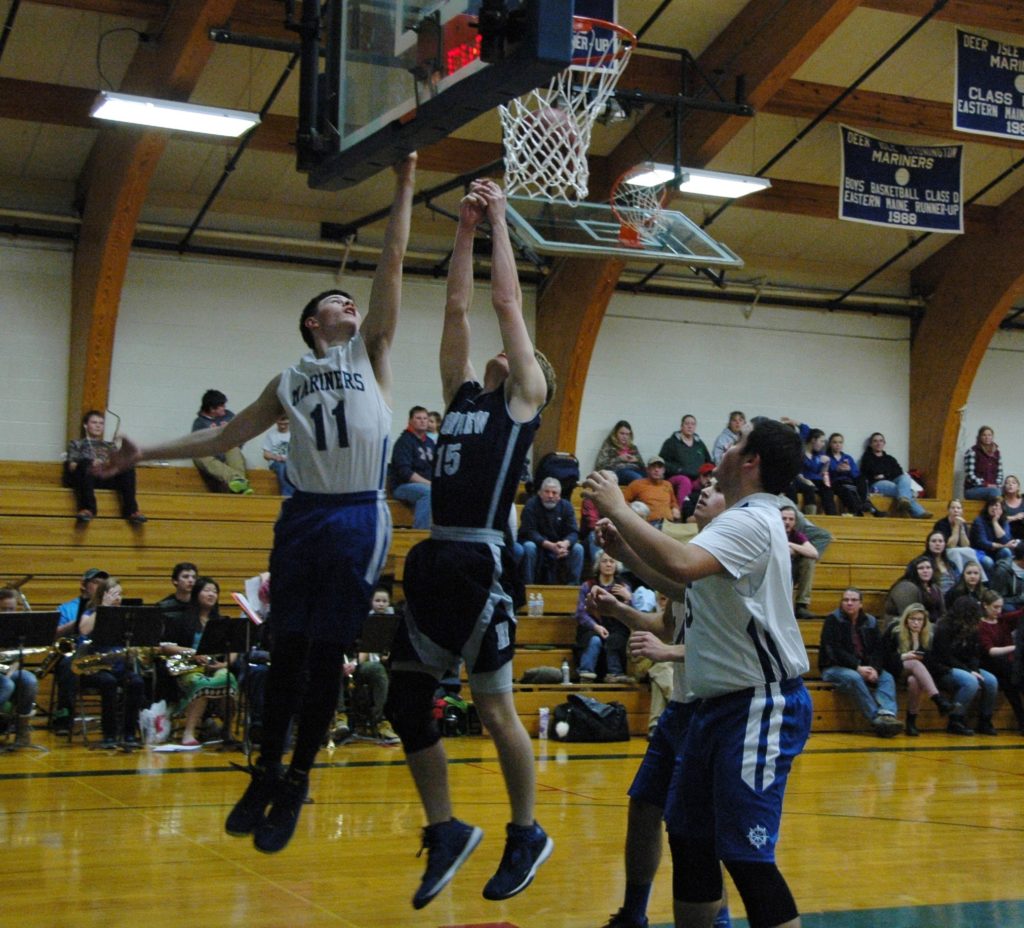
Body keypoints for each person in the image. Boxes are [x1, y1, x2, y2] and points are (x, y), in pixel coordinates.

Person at [98, 154, 417, 852]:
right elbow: (227, 434)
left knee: (327, 652)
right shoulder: (288, 379)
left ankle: (299, 777)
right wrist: (142, 452)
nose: (348, 303)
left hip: (358, 514)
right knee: (283, 651)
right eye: (334, 301)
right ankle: (265, 769)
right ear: (310, 323)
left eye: (350, 300)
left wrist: (403, 181)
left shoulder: (370, 355)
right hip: (302, 518)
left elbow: (390, 266)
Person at [384, 179, 555, 910]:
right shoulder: (459, 400)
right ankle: (447, 828)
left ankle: (525, 830)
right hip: (433, 558)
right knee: (402, 702)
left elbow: (504, 304)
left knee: (494, 711)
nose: (506, 357)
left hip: (479, 562)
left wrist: (502, 225)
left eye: (521, 358)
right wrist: (461, 231)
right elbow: (456, 307)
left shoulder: (521, 405)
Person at [583, 417, 811, 928]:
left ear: (751, 461)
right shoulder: (742, 522)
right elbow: (683, 585)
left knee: (747, 859)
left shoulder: (752, 519)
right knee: (688, 840)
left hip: (759, 703)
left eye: (738, 443)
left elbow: (683, 566)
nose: (726, 450)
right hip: (717, 705)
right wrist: (626, 551)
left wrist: (619, 506)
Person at [587, 484, 732, 928]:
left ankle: (720, 918)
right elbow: (670, 625)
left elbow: (737, 648)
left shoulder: (734, 559)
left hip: (714, 709)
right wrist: (619, 612)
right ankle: (633, 912)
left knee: (697, 828)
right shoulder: (693, 554)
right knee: (644, 807)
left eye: (719, 489)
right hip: (682, 710)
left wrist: (628, 552)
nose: (707, 491)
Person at [72, 577, 146, 747]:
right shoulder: (90, 613)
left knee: (136, 682)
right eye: (113, 594)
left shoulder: (126, 617)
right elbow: (83, 629)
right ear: (102, 595)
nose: (118, 598)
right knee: (108, 682)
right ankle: (109, 734)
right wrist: (103, 607)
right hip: (94, 669)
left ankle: (128, 733)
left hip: (119, 667)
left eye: (119, 594)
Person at [819, 589, 904, 737]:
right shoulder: (832, 620)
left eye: (853, 600)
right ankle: (876, 719)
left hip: (864, 666)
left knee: (887, 677)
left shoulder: (870, 621)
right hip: (833, 668)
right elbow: (834, 651)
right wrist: (857, 668)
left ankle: (888, 714)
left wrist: (875, 669)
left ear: (861, 604)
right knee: (854, 677)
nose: (849, 603)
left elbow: (879, 649)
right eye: (845, 600)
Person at [164, 577, 238, 747]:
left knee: (229, 680)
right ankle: (188, 732)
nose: (211, 594)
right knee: (200, 683)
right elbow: (166, 647)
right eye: (207, 590)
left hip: (214, 666)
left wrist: (225, 664)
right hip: (188, 667)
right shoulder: (181, 620)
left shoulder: (222, 621)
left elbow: (234, 647)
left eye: (214, 591)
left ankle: (227, 729)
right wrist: (192, 653)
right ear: (197, 594)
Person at [926, 596, 999, 735]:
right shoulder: (944, 626)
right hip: (944, 669)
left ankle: (985, 719)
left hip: (966, 668)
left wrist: (975, 669)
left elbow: (975, 654)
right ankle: (955, 719)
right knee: (970, 682)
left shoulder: (973, 627)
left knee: (991, 681)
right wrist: (969, 671)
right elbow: (945, 656)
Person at [880, 603, 954, 736]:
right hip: (893, 669)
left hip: (916, 673)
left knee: (914, 681)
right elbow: (883, 656)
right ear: (906, 619)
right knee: (913, 662)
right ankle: (938, 699)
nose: (916, 623)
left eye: (919, 620)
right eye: (912, 619)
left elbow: (932, 661)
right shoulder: (894, 630)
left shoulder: (928, 635)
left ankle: (911, 721)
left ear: (924, 622)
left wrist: (919, 648)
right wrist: (904, 656)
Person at [52, 567, 109, 734]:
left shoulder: (109, 608)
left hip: (99, 653)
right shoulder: (66, 608)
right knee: (68, 664)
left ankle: (117, 720)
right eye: (95, 583)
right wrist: (79, 621)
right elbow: (55, 634)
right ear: (83, 585)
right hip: (74, 652)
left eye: (103, 584)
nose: (99, 587)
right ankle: (64, 716)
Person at [64, 410, 146, 524]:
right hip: (85, 478)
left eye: (101, 423)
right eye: (94, 422)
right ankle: (88, 508)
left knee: (127, 466)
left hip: (105, 477)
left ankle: (132, 510)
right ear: (85, 425)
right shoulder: (76, 444)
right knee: (85, 463)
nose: (98, 426)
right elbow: (72, 466)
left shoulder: (109, 445)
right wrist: (91, 463)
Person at [574, 552, 632, 683]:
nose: (608, 564)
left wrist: (628, 599)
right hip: (592, 626)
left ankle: (615, 674)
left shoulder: (623, 587)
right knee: (594, 640)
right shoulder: (587, 586)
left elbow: (631, 614)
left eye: (612, 561)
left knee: (615, 639)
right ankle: (586, 673)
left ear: (616, 565)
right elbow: (580, 613)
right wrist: (596, 627)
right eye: (604, 561)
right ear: (598, 565)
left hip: (616, 627)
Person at [518, 477, 584, 585]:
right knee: (529, 547)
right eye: (547, 492)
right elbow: (529, 531)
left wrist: (565, 544)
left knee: (578, 548)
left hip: (560, 546)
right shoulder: (531, 505)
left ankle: (572, 588)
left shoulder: (566, 506)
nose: (550, 496)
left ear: (559, 496)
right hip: (538, 544)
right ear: (540, 493)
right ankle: (528, 587)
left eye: (554, 493)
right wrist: (550, 546)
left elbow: (573, 532)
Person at [978, 590, 1024, 733]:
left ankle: (1022, 722)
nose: (999, 611)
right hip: (989, 665)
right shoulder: (981, 626)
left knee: (1011, 686)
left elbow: (1020, 614)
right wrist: (1015, 647)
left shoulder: (1003, 620)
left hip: (1005, 668)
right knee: (1013, 679)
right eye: (995, 607)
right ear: (985, 606)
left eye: (1000, 607)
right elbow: (990, 651)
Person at [191, 389, 252, 494]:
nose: (225, 408)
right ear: (212, 409)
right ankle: (238, 481)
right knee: (200, 455)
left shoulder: (229, 416)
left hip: (228, 451)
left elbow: (242, 435)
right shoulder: (199, 424)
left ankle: (239, 484)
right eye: (222, 406)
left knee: (233, 448)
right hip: (211, 456)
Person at [0, 593, 40, 746]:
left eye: (11, 609)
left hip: (7, 670)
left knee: (29, 680)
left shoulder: (17, 626)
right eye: (4, 609)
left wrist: (10, 672)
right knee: (6, 685)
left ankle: (22, 732)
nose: (8, 613)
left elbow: (19, 657)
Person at [859, 432, 929, 518]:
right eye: (875, 441)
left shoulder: (890, 458)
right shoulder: (867, 458)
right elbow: (872, 472)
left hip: (890, 480)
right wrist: (887, 474)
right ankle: (918, 512)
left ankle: (903, 500)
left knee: (905, 477)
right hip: (876, 485)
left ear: (884, 443)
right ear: (871, 444)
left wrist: (884, 475)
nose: (878, 443)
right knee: (900, 489)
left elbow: (898, 472)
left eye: (881, 441)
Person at [390, 405, 436, 529]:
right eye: (418, 418)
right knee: (429, 493)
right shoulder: (404, 442)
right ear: (410, 421)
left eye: (425, 418)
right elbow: (405, 472)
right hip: (403, 486)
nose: (423, 421)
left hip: (425, 484)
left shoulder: (430, 443)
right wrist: (429, 483)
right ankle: (420, 533)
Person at [659, 415, 712, 506]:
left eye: (693, 424)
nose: (690, 426)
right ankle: (682, 512)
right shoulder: (671, 442)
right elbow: (662, 463)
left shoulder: (699, 444)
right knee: (685, 481)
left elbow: (709, 462)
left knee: (710, 482)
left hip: (696, 479)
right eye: (687, 423)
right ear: (681, 426)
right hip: (677, 478)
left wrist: (706, 476)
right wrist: (680, 470)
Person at [826, 432, 881, 516]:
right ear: (830, 444)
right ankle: (869, 509)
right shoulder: (826, 457)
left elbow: (856, 473)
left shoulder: (847, 457)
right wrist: (837, 469)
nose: (838, 445)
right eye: (835, 442)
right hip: (836, 483)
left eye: (840, 442)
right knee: (849, 490)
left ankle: (864, 503)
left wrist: (849, 469)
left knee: (862, 479)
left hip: (849, 481)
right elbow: (824, 474)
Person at [781, 505, 818, 618]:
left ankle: (801, 605)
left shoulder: (796, 535)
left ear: (795, 522)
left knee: (808, 560)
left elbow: (814, 553)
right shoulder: (770, 533)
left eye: (791, 519)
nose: (787, 522)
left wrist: (790, 544)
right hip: (772, 575)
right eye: (784, 518)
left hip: (790, 574)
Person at [932, 498, 985, 577]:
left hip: (961, 551)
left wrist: (962, 529)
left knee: (970, 551)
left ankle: (981, 579)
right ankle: (961, 579)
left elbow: (966, 545)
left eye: (958, 508)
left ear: (962, 511)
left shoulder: (963, 523)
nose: (956, 510)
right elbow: (950, 545)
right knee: (955, 552)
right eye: (953, 508)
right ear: (948, 510)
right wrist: (956, 526)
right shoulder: (941, 524)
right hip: (945, 551)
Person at [884, 556, 945, 625]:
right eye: (921, 568)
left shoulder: (935, 588)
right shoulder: (906, 587)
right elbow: (911, 616)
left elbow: (942, 612)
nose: (925, 571)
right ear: (913, 571)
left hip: (931, 627)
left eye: (928, 568)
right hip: (903, 628)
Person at [789, 427, 836, 515]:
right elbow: (797, 471)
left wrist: (826, 464)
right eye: (821, 441)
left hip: (816, 480)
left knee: (828, 490)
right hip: (801, 479)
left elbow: (822, 474)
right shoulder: (799, 452)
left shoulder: (819, 454)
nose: (823, 444)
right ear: (813, 440)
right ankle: (809, 516)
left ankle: (832, 516)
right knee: (809, 488)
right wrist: (805, 481)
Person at [624, 456, 680, 527]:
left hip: (669, 523)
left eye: (659, 467)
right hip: (650, 524)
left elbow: (673, 502)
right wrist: (634, 509)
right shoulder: (637, 484)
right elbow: (623, 501)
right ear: (647, 470)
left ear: (664, 470)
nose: (656, 470)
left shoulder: (667, 485)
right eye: (653, 467)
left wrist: (675, 508)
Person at [970, 496, 1018, 569]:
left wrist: (995, 522)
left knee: (1006, 551)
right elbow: (984, 543)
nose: (994, 508)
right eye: (991, 505)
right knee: (988, 562)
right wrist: (1004, 546)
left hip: (996, 552)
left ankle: (1003, 578)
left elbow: (1005, 540)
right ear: (987, 507)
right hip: (981, 552)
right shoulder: (979, 520)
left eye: (997, 505)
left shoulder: (1004, 521)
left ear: (1002, 509)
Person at [595, 420, 645, 486]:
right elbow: (600, 465)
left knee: (650, 477)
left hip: (634, 470)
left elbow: (642, 465)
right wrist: (619, 458)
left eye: (627, 434)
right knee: (637, 478)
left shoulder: (633, 447)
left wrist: (636, 459)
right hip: (618, 472)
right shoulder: (609, 445)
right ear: (615, 433)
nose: (624, 437)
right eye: (622, 433)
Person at [963, 425, 1002, 501]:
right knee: (994, 491)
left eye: (989, 435)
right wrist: (986, 485)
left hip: (993, 488)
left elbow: (1000, 474)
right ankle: (996, 512)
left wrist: (997, 484)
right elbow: (970, 476)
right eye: (984, 435)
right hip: (974, 489)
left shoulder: (997, 453)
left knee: (1008, 489)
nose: (987, 437)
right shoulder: (972, 451)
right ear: (980, 437)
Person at [262, 413, 294, 497]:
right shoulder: (271, 435)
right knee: (282, 468)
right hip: (276, 462)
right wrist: (276, 457)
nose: (282, 426)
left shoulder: (294, 434)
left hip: (291, 462)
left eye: (285, 424)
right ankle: (287, 495)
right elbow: (266, 454)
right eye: (280, 424)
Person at [1000, 475, 1024, 540]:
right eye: (1007, 483)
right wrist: (1015, 517)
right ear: (1004, 487)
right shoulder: (1000, 502)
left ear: (1018, 487)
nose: (1010, 484)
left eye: (1013, 483)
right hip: (1008, 534)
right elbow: (998, 519)